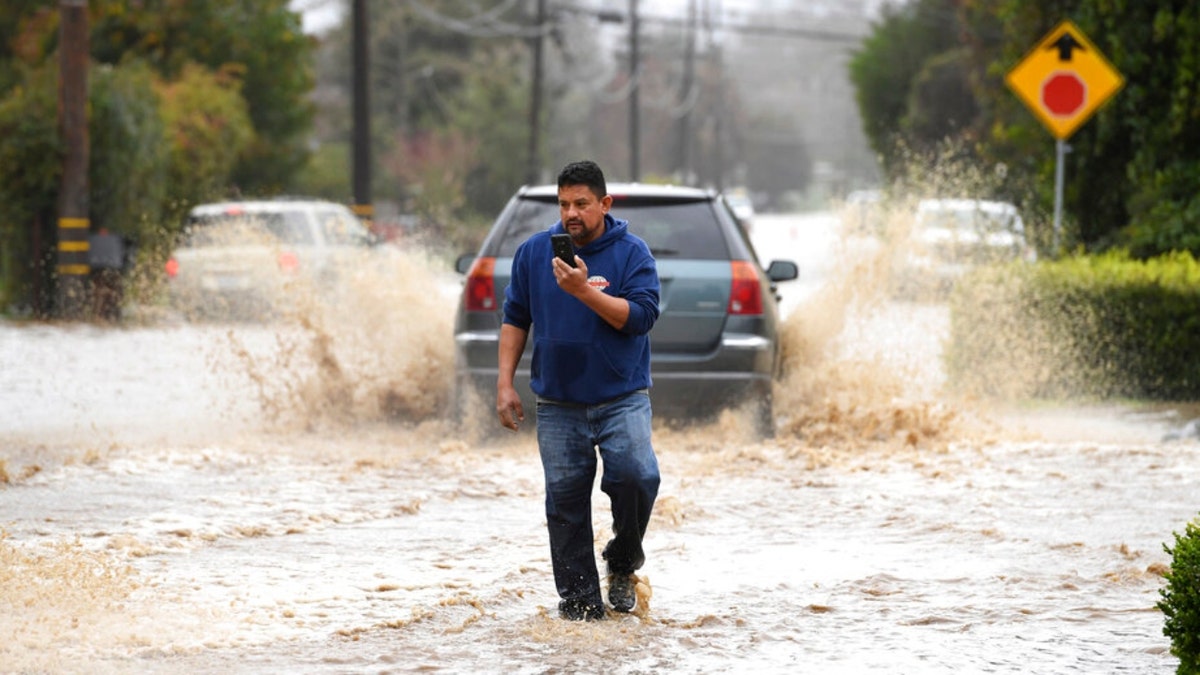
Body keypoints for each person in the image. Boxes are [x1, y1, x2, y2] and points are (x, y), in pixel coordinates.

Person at [496, 160, 662, 621]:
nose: (572, 213)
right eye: (564, 203)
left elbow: (642, 318)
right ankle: (581, 608)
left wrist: (583, 290)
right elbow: (515, 317)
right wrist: (505, 382)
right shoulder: (533, 253)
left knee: (636, 476)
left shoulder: (632, 254)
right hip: (557, 403)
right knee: (565, 503)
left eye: (582, 204)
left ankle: (623, 562)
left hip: (621, 397)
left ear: (604, 204)